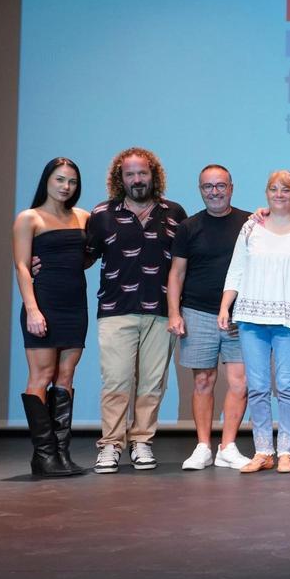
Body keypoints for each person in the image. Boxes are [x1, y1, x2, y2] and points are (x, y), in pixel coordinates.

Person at [86, 147, 187, 473]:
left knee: (152, 383)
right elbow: (85, 256)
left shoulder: (174, 213)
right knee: (116, 381)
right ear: (120, 178)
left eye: (142, 173)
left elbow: (184, 265)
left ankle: (142, 440)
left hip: (161, 311)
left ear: (153, 175)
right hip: (116, 309)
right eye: (130, 174)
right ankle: (111, 445)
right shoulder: (102, 213)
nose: (137, 179)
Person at [220, 170, 290, 473]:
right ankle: (263, 450)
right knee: (257, 387)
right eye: (273, 189)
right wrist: (225, 306)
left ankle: (286, 452)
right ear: (266, 193)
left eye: (286, 190)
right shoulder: (251, 228)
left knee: (288, 386)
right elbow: (236, 270)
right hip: (252, 318)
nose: (279, 194)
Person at [167, 165, 251, 470]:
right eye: (207, 187)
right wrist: (174, 312)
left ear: (231, 187)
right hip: (197, 312)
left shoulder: (249, 223)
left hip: (239, 315)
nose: (214, 192)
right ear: (200, 190)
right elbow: (176, 273)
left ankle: (227, 446)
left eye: (220, 186)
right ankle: (203, 446)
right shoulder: (188, 227)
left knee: (239, 383)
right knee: (203, 380)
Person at [12, 158, 89, 477]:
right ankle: (43, 455)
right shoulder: (29, 218)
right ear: (47, 180)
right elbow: (21, 266)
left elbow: (84, 259)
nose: (65, 186)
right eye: (59, 179)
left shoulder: (84, 217)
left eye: (71, 181)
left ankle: (61, 455)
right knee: (41, 377)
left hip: (75, 306)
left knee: (66, 377)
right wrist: (32, 309)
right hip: (43, 304)